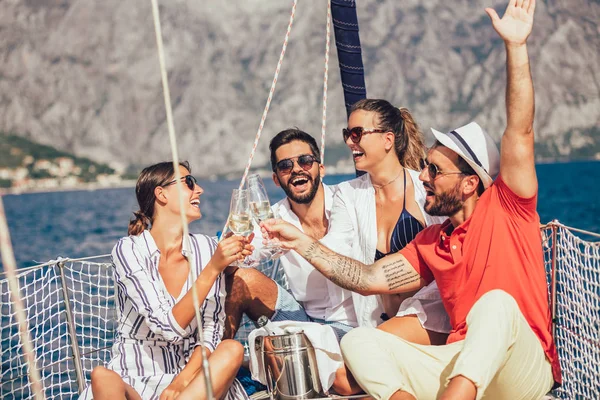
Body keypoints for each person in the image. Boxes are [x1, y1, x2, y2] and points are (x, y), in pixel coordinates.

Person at [261, 0, 561, 398]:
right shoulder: (431, 244)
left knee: (495, 306)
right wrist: (301, 242)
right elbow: (367, 280)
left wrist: (516, 48)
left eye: (435, 170)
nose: (423, 176)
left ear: (471, 183)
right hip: (461, 362)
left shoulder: (508, 208)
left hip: (521, 365)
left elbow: (520, 130)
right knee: (359, 343)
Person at [82, 161, 253, 400]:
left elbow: (210, 332)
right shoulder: (129, 251)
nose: (200, 189)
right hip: (136, 377)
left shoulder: (207, 248)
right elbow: (167, 327)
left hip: (192, 379)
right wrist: (214, 267)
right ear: (161, 194)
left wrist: (182, 381)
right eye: (189, 182)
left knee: (232, 349)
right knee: (103, 376)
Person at [223, 129, 357, 343]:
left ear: (320, 169)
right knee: (240, 279)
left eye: (305, 161)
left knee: (277, 346)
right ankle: (215, 361)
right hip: (304, 319)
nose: (296, 169)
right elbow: (237, 260)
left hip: (355, 324)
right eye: (285, 165)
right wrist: (232, 252)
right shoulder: (273, 218)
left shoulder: (351, 202)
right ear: (276, 179)